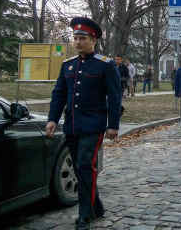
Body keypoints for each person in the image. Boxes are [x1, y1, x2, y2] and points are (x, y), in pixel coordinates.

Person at [45, 17, 121, 230]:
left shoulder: (105, 65)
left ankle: (85, 215)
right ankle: (96, 206)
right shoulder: (68, 65)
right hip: (72, 125)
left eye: (82, 38)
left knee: (86, 166)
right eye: (75, 38)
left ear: (93, 40)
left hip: (93, 125)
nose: (78, 42)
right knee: (80, 168)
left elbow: (115, 97)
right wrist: (52, 119)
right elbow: (59, 94)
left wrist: (113, 125)